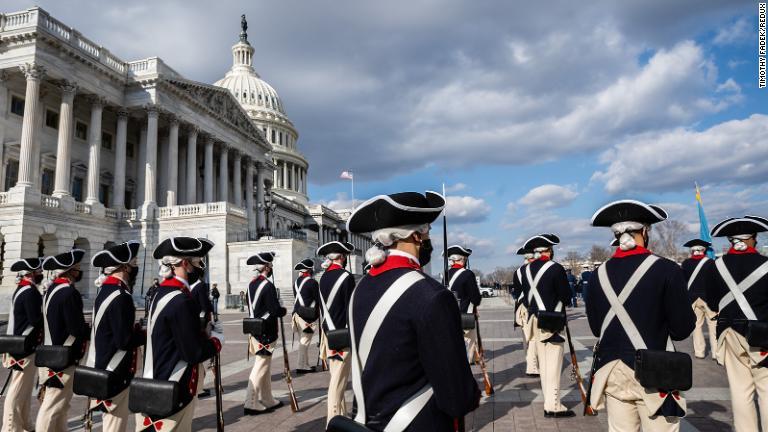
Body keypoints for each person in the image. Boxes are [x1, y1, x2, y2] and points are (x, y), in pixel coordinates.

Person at [336, 190, 479, 431]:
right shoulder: (431, 295)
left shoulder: (362, 288)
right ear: (416, 236)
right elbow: (457, 397)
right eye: (427, 233)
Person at [586, 200, 695, 431]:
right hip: (656, 370)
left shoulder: (597, 275)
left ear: (616, 235)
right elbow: (682, 328)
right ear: (645, 231)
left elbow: (597, 329)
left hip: (612, 369)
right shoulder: (668, 269)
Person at [130, 237, 223, 431]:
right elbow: (193, 353)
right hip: (174, 385)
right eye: (196, 264)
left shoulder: (161, 293)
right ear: (184, 263)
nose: (198, 270)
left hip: (155, 378)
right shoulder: (181, 300)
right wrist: (216, 341)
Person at [706, 215, 768, 432]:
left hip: (729, 332)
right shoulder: (766, 265)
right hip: (762, 335)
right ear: (751, 239)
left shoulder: (716, 266)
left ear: (732, 241)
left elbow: (712, 301)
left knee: (740, 392)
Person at [84, 241, 146, 432]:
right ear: (125, 266)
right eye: (134, 263)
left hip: (103, 362)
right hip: (116, 367)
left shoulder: (105, 290)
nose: (136, 268)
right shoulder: (121, 295)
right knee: (115, 423)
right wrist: (145, 333)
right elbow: (124, 340)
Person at [520, 233, 575, 418]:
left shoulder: (526, 270)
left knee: (544, 365)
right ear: (549, 251)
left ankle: (549, 400)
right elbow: (567, 297)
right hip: (552, 321)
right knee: (552, 364)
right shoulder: (555, 268)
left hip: (534, 319)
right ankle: (553, 405)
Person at [36, 249, 90, 432]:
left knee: (60, 406)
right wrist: (89, 330)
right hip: (63, 357)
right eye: (77, 267)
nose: (79, 270)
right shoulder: (68, 293)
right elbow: (76, 328)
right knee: (52, 406)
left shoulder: (52, 290)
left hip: (51, 353)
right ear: (71, 270)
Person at [1, 257, 44, 432]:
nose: (41, 274)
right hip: (24, 348)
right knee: (17, 391)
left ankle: (25, 423)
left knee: (24, 390)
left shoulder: (23, 289)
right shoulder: (30, 292)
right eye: (39, 271)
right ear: (32, 273)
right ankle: (10, 427)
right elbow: (35, 320)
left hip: (19, 346)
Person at [317, 240, 356, 425]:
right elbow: (351, 308)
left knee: (336, 377)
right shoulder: (346, 277)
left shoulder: (323, 277)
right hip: (342, 334)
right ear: (342, 257)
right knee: (337, 382)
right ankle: (333, 421)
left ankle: (341, 415)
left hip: (328, 333)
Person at [243, 251, 287, 415]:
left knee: (265, 366)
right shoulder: (267, 286)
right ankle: (251, 401)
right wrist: (282, 309)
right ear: (267, 267)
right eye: (271, 266)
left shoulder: (251, 285)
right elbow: (274, 310)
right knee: (261, 365)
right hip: (266, 331)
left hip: (255, 330)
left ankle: (267, 398)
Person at [187, 238, 216, 398]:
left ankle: (199, 385)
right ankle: (198, 387)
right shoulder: (198, 286)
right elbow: (205, 308)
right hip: (198, 325)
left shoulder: (188, 286)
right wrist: (209, 325)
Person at [681, 239, 717, 360]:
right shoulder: (711, 263)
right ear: (704, 250)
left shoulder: (685, 263)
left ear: (692, 250)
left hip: (692, 299)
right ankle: (716, 353)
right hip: (710, 299)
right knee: (713, 325)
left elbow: (682, 282)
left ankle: (699, 352)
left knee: (696, 326)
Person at [446, 245, 481, 362]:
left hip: (449, 314)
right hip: (465, 314)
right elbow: (475, 297)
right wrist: (476, 303)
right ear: (461, 260)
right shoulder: (467, 274)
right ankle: (466, 363)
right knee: (468, 340)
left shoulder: (446, 274)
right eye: (465, 259)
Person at [512, 246, 538, 376]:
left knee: (526, 338)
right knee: (533, 338)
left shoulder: (517, 271)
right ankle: (533, 367)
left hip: (521, 307)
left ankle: (530, 361)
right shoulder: (536, 270)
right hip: (532, 306)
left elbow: (516, 292)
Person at [292, 258, 320, 374]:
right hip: (308, 316)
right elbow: (317, 299)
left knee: (302, 340)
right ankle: (301, 365)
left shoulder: (296, 282)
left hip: (297, 314)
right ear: (309, 270)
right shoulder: (312, 283)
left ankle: (306, 364)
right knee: (304, 342)